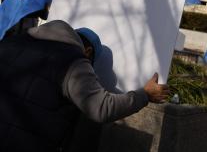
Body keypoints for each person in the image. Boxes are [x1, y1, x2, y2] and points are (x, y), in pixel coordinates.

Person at [0, 20, 169, 152]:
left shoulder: (10, 43)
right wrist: (145, 94)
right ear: (87, 52)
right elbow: (102, 108)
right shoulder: (73, 60)